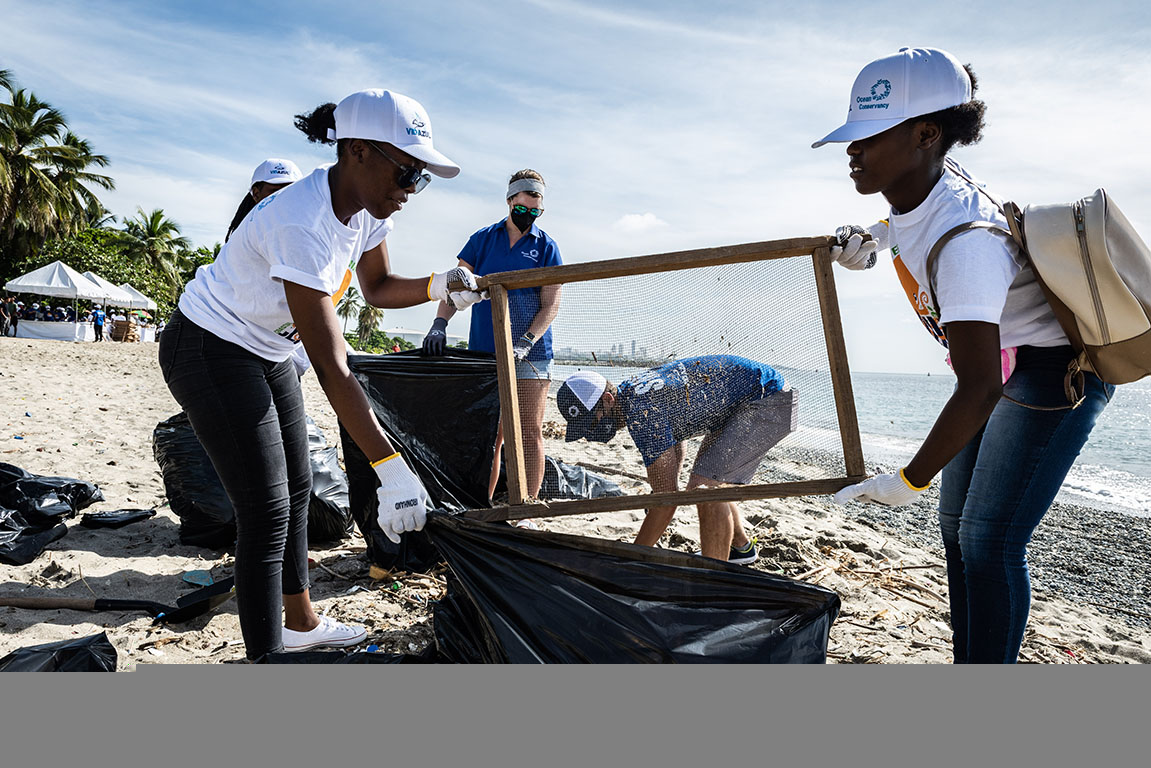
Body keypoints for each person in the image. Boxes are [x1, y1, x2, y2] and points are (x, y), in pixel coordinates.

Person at [159, 88, 484, 661]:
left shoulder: (366, 211)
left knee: (300, 488)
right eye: (408, 172)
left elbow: (379, 290)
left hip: (265, 350)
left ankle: (302, 622)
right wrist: (391, 467)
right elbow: (334, 366)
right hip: (211, 344)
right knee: (264, 509)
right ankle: (266, 657)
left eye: (421, 179)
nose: (411, 191)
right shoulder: (302, 222)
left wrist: (438, 285)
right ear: (357, 151)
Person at [817, 48, 1114, 664]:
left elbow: (976, 388)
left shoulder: (968, 244)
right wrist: (867, 241)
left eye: (868, 135)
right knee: (957, 528)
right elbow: (903, 226)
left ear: (927, 134)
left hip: (1049, 369)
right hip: (1007, 361)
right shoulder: (921, 192)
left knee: (989, 539)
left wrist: (908, 479)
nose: (853, 150)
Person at [558, 355, 797, 563]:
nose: (590, 434)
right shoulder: (632, 392)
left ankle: (713, 580)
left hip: (768, 399)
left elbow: (667, 502)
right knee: (707, 479)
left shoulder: (641, 414)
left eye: (592, 422)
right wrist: (666, 486)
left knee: (704, 489)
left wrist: (631, 557)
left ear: (608, 400)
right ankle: (740, 550)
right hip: (744, 401)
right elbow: (674, 438)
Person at [422, 169, 562, 502]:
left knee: (528, 432)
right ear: (510, 200)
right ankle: (481, 506)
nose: (527, 216)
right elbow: (455, 286)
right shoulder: (482, 240)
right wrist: (439, 324)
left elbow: (551, 304)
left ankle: (525, 508)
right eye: (522, 209)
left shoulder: (546, 247)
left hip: (533, 355)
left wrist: (525, 342)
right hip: (486, 352)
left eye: (535, 212)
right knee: (490, 437)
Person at [226, 158, 304, 242]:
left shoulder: (305, 230)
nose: (284, 198)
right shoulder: (246, 238)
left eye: (290, 191)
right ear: (256, 194)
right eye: (275, 192)